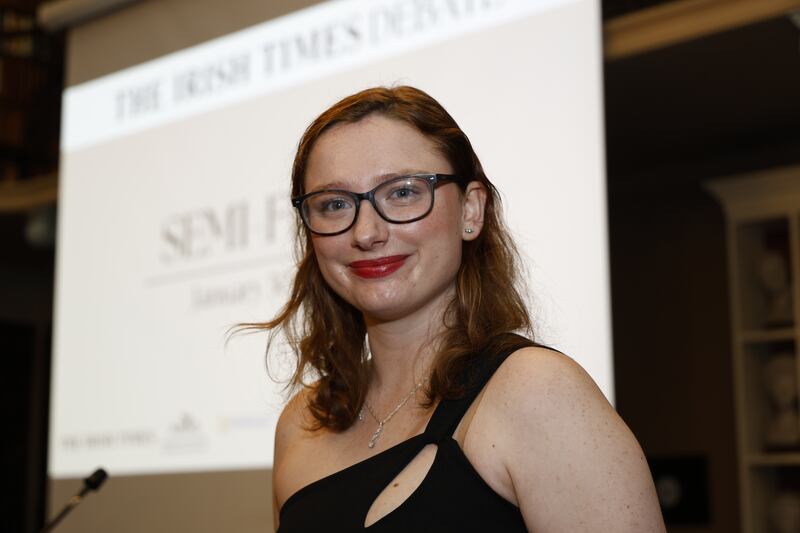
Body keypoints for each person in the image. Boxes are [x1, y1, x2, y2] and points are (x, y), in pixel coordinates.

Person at [259, 86, 665, 531]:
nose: (367, 232)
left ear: (471, 209)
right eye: (335, 204)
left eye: (403, 192)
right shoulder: (300, 423)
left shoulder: (537, 392)